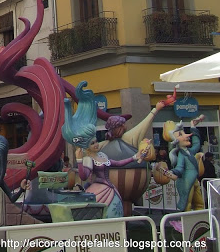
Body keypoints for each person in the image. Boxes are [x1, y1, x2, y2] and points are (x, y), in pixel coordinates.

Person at [62, 82, 147, 218]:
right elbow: (83, 176)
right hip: (98, 190)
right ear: (87, 146)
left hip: (110, 190)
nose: (96, 145)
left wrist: (135, 157)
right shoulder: (88, 160)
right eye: (93, 143)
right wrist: (79, 160)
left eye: (96, 141)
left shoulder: (101, 154)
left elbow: (117, 163)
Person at [164, 116, 205, 211]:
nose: (187, 136)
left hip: (194, 181)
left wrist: (193, 127)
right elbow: (180, 167)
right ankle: (187, 222)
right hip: (186, 182)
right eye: (181, 134)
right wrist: (173, 172)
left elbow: (197, 144)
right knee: (187, 203)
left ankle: (200, 220)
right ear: (176, 141)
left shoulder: (190, 151)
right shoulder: (182, 155)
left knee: (199, 203)